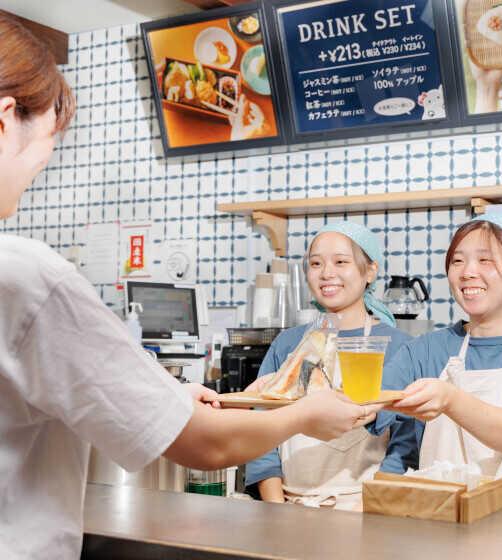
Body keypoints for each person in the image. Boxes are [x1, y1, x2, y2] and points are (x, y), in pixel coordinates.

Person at [0, 16, 377, 559]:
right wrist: (304, 416)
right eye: (50, 137)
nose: (47, 158)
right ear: (7, 118)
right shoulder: (27, 277)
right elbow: (204, 442)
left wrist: (169, 396)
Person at [371, 213, 502, 487]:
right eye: (457, 261)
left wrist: (450, 400)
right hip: (444, 515)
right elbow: (370, 406)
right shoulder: (423, 351)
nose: (467, 272)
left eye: (486, 260)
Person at [245, 222, 413, 510]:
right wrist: (276, 508)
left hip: (365, 509)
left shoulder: (399, 347)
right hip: (286, 507)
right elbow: (260, 434)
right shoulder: (288, 344)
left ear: (369, 271)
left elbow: (406, 443)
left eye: (341, 262)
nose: (327, 273)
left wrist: (376, 508)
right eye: (316, 263)